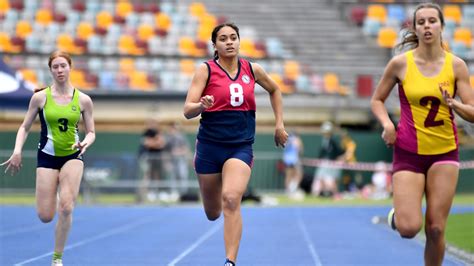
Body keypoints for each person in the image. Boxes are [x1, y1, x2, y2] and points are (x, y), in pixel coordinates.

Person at [370, 3, 474, 265]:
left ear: (442, 26)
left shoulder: (457, 66)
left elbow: (472, 111)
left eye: (432, 21)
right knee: (408, 228)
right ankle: (398, 216)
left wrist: (455, 105)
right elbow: (377, 100)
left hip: (444, 152)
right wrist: (388, 124)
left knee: (436, 229)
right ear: (415, 28)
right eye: (422, 22)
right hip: (409, 153)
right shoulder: (400, 64)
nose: (427, 26)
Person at [183, 22, 288, 266]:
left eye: (233, 37)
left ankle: (230, 261)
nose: (229, 42)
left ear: (239, 41)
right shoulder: (205, 70)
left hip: (239, 146)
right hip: (209, 148)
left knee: (231, 199)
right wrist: (201, 105)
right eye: (223, 39)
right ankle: (216, 191)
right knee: (213, 213)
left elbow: (275, 90)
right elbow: (187, 110)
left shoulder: (252, 69)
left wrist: (279, 124)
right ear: (215, 45)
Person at [1, 50, 95, 266]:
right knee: (45, 215)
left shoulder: (83, 100)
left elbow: (91, 132)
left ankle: (57, 258)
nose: (60, 70)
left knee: (67, 206)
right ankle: (51, 197)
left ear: (70, 67)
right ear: (50, 70)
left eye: (63, 65)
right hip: (47, 157)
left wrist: (85, 142)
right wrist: (16, 150)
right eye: (55, 67)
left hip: (73, 155)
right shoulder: (40, 97)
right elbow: (24, 127)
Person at [311, 121, 344, 198]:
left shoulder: (333, 141)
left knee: (331, 180)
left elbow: (338, 152)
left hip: (331, 164)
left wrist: (337, 161)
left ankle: (335, 194)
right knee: (321, 178)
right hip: (324, 163)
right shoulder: (324, 141)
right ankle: (321, 193)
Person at [136, 118, 166, 203]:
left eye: (154, 124)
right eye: (151, 124)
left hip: (156, 158)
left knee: (156, 176)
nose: (153, 126)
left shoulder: (157, 132)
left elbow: (162, 144)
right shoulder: (146, 133)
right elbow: (148, 143)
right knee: (146, 176)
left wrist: (156, 141)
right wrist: (155, 142)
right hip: (146, 158)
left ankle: (156, 194)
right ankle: (140, 196)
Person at [282, 131, 304, 199]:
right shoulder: (296, 140)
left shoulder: (286, 140)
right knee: (298, 175)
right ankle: (291, 190)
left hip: (286, 160)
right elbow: (300, 149)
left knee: (289, 176)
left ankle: (289, 191)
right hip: (293, 160)